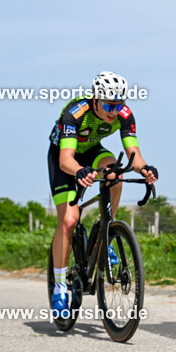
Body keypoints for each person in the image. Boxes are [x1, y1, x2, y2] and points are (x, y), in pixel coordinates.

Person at [47, 71, 157, 315]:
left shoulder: (124, 115)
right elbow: (66, 160)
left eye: (119, 105)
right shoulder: (75, 113)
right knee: (69, 221)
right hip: (63, 157)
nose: (114, 111)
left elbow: (134, 155)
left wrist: (145, 169)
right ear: (96, 99)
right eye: (108, 105)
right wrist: (79, 171)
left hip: (92, 151)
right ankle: (59, 288)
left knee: (115, 173)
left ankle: (105, 231)